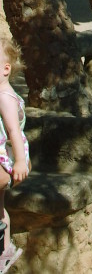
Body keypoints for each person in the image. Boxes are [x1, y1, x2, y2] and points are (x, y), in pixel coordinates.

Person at [0, 33, 30, 273]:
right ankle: (6, 249)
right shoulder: (6, 94)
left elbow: (13, 132)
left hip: (5, 157)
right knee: (0, 208)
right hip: (6, 155)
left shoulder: (4, 98)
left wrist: (20, 161)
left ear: (5, 69)